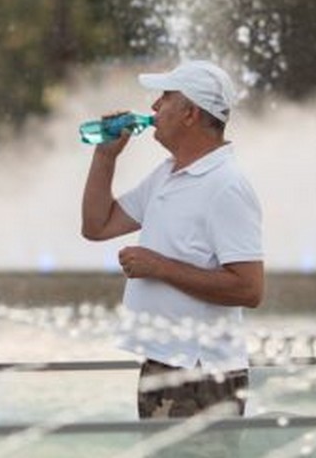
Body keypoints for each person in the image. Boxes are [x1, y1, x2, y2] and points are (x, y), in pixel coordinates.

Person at [81, 60, 265, 428]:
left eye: (164, 97)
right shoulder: (168, 173)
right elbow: (96, 226)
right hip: (166, 362)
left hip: (201, 373)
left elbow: (250, 289)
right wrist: (105, 156)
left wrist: (158, 267)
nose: (153, 108)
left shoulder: (227, 186)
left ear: (190, 114)